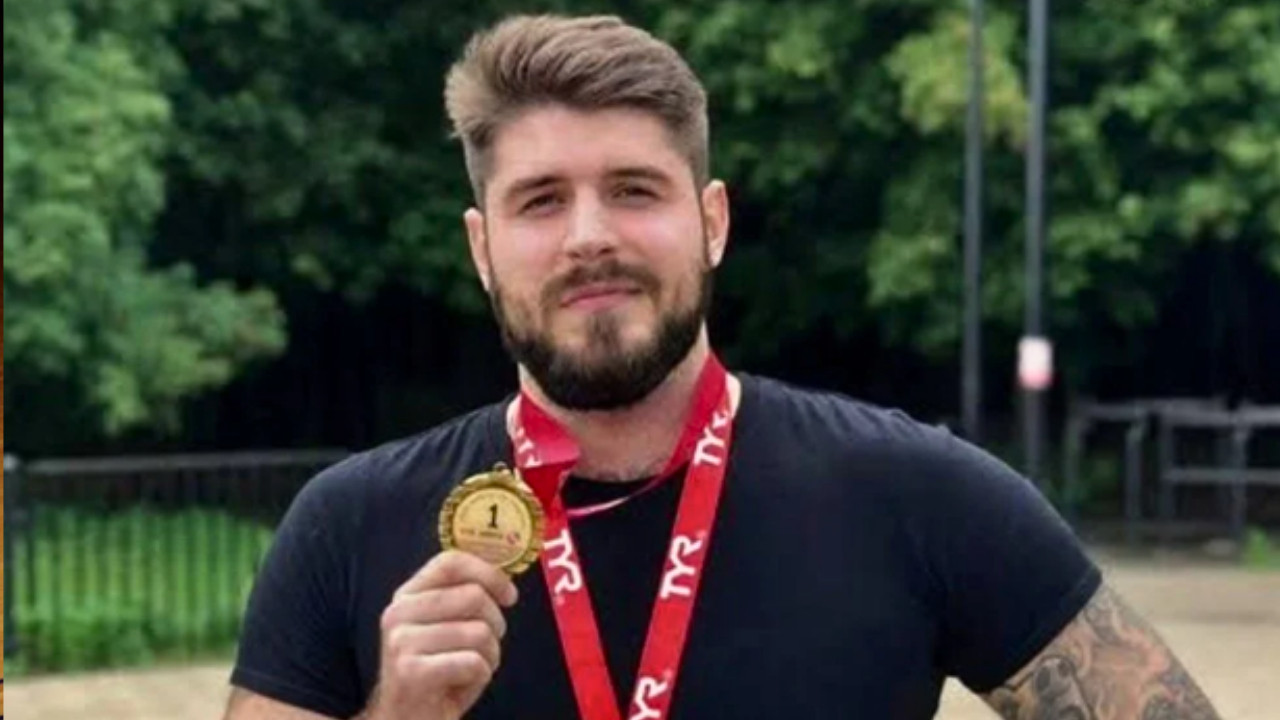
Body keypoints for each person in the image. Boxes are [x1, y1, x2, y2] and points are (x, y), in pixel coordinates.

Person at [224, 14, 1220, 720]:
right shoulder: (349, 527)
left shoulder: (917, 495)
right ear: (481, 249)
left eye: (633, 190)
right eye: (540, 201)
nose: (589, 236)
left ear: (711, 223)